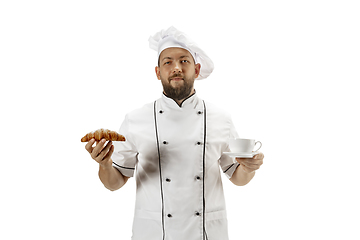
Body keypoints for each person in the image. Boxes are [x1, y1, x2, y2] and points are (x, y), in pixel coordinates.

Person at [85, 26, 264, 240]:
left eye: (184, 61)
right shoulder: (135, 120)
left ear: (196, 70)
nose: (176, 67)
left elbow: (238, 177)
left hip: (206, 233)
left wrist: (249, 168)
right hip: (154, 234)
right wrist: (104, 165)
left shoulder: (221, 119)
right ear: (158, 72)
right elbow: (113, 183)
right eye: (168, 62)